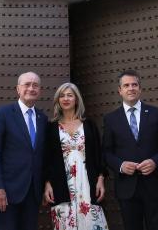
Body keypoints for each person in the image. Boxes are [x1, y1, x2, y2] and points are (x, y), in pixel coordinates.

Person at [103, 69, 158, 230]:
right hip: (127, 188)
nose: (131, 88)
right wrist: (120, 165)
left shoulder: (157, 114)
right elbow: (106, 152)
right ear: (120, 90)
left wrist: (155, 162)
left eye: (134, 84)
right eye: (126, 85)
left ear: (140, 88)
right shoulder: (111, 119)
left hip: (155, 185)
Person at [43, 82, 109, 230]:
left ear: (76, 99)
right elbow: (46, 159)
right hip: (61, 186)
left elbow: (99, 155)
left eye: (69, 95)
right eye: (62, 95)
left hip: (87, 183)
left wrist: (100, 179)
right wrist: (47, 184)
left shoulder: (90, 125)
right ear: (57, 100)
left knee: (92, 222)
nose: (65, 99)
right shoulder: (51, 127)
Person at [0, 71, 47, 230]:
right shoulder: (3, 113)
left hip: (33, 193)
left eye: (35, 85)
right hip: (7, 192)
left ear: (39, 90)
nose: (31, 88)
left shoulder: (43, 118)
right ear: (18, 89)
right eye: (27, 84)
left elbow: (42, 155)